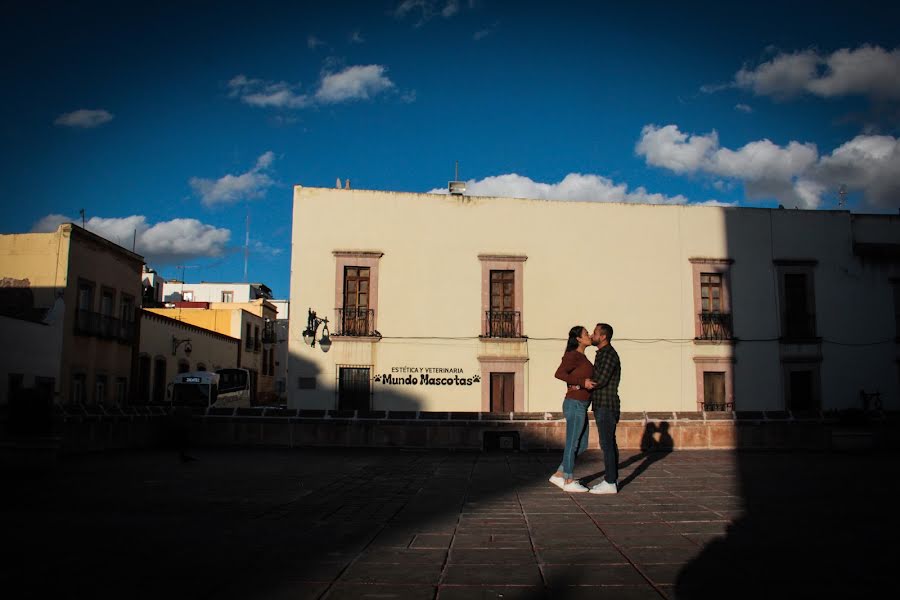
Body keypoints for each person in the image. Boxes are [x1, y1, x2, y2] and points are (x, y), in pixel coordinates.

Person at [549, 325, 595, 493]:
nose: (589, 335)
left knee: (581, 444)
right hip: (574, 403)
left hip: (582, 404)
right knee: (572, 443)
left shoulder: (583, 357)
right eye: (586, 334)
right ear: (578, 339)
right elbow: (559, 373)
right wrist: (582, 383)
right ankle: (568, 479)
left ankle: (559, 473)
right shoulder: (573, 355)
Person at [588, 322, 621, 494]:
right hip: (602, 404)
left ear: (603, 337)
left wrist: (583, 384)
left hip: (607, 405)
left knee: (607, 444)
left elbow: (601, 379)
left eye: (595, 333)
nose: (592, 335)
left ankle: (610, 482)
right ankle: (611, 480)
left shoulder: (608, 354)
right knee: (608, 443)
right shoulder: (602, 353)